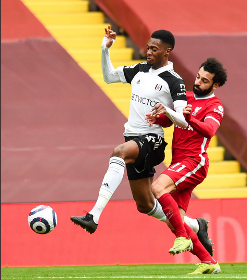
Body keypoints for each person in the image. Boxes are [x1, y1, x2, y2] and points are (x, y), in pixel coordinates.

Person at [70, 25, 212, 255]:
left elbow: (183, 121)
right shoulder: (139, 70)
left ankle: (93, 215)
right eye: (147, 48)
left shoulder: (174, 81)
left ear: (167, 52)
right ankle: (197, 225)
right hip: (133, 139)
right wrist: (105, 49)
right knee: (145, 205)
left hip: (152, 141)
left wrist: (165, 110)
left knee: (118, 152)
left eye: (154, 49)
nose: (148, 52)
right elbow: (108, 77)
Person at [146, 57, 227, 274]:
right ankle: (208, 261)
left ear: (215, 85)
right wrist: (158, 118)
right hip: (179, 162)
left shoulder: (215, 105)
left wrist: (190, 119)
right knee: (175, 220)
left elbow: (209, 130)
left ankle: (184, 236)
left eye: (205, 80)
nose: (198, 82)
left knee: (157, 188)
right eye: (198, 76)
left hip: (194, 162)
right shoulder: (187, 97)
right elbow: (171, 119)